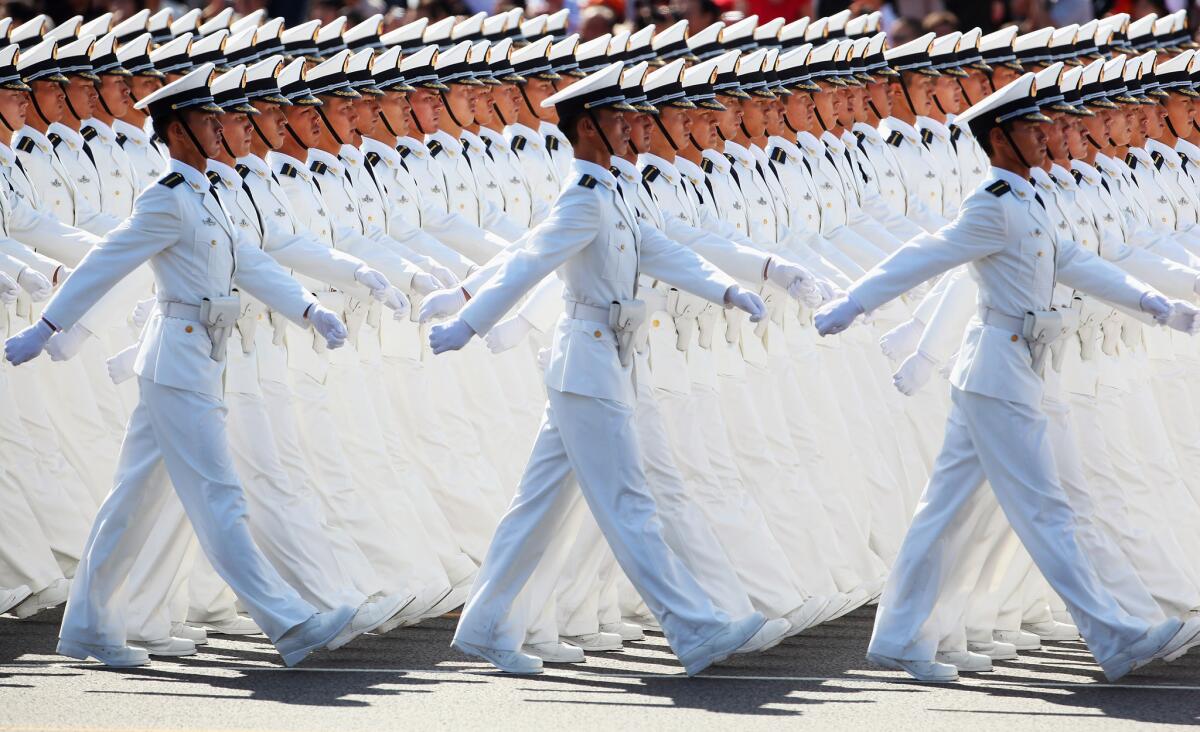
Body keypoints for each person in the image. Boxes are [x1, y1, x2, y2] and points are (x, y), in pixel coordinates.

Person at [2, 63, 399, 668]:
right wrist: (48, 326)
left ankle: (88, 628)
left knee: (131, 503)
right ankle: (290, 622)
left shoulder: (204, 193)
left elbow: (247, 263)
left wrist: (310, 308)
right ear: (178, 129)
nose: (218, 129)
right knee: (220, 495)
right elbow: (104, 264)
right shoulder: (163, 201)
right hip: (178, 360)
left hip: (197, 357)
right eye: (205, 120)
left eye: (217, 119)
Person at [814, 72, 1200, 683]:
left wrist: (1156, 305)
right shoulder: (992, 203)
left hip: (1008, 369)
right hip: (999, 370)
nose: (1047, 137)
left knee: (944, 512)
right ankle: (1117, 635)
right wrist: (853, 304)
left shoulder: (1027, 200)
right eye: (1031, 130)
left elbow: (1074, 262)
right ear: (1001, 138)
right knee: (1046, 508)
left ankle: (898, 637)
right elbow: (928, 256)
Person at [427, 61, 788, 677]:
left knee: (536, 506)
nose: (630, 125)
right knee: (629, 503)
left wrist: (725, 289)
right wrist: (469, 322)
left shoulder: (612, 191)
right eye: (618, 117)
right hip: (588, 364)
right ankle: (696, 629)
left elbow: (659, 250)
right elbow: (529, 262)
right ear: (588, 125)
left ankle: (486, 624)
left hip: (603, 363)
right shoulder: (585, 197)